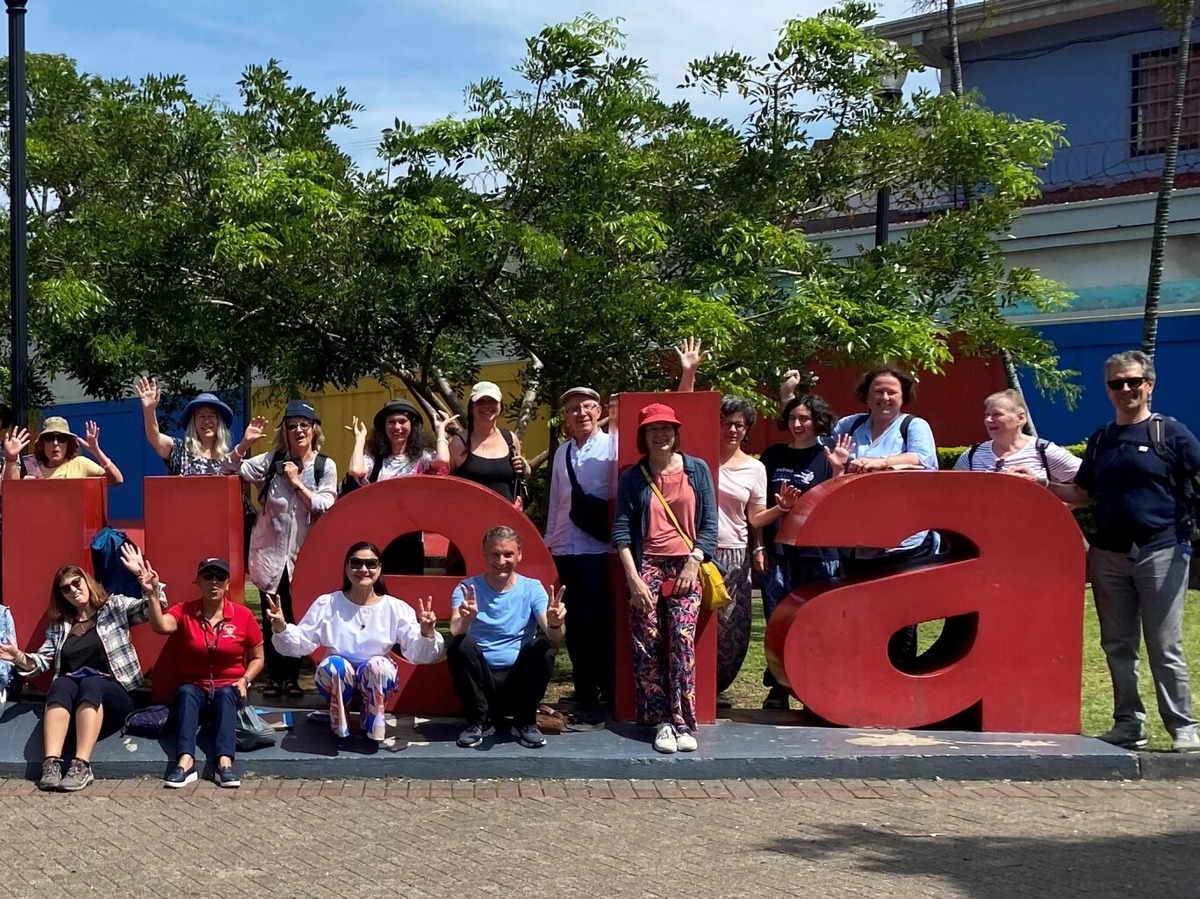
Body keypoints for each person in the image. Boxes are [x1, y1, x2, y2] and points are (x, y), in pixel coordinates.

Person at [1044, 350, 1200, 753]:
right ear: (1108, 389)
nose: (1126, 389)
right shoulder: (1102, 439)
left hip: (1161, 550)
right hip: (1109, 555)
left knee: (1165, 645)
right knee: (1117, 644)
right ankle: (1129, 724)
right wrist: (1038, 484)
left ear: (1149, 384)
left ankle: (1183, 727)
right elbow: (1081, 492)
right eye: (1117, 383)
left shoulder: (1171, 433)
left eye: (1134, 382)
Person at [0, 545, 164, 792]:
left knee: (91, 682)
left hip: (113, 697)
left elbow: (150, 610)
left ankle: (81, 765)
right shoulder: (61, 627)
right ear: (62, 596)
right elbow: (40, 663)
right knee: (61, 683)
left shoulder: (114, 607)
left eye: (76, 583)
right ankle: (51, 764)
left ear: (87, 581)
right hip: (75, 705)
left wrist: (148, 587)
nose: (73, 590)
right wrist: (17, 657)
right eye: (66, 589)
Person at [611, 402, 718, 754]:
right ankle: (660, 723)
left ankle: (683, 720)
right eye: (653, 429)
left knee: (681, 642)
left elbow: (709, 527)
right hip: (647, 566)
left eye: (667, 428)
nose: (661, 434)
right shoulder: (634, 477)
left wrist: (693, 563)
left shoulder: (696, 470)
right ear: (644, 435)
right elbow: (622, 532)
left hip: (687, 565)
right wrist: (634, 579)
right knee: (648, 644)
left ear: (676, 433)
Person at [268, 541, 443, 741]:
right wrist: (281, 627)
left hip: (377, 680)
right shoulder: (328, 603)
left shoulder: (396, 608)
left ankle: (373, 724)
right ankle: (340, 724)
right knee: (335, 666)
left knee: (378, 666)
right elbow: (302, 642)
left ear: (379, 569)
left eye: (370, 564)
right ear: (346, 567)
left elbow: (416, 652)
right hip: (337, 680)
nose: (363, 569)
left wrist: (427, 634)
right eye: (356, 563)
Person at [223, 399, 338, 698]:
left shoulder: (325, 466)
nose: (298, 430)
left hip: (304, 557)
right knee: (272, 615)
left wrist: (298, 484)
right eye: (292, 426)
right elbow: (229, 468)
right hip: (269, 556)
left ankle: (293, 677)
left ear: (314, 430)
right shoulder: (271, 458)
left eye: (304, 425)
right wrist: (245, 442)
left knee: (299, 616)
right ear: (284, 432)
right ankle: (275, 678)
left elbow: (327, 504)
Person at [826, 365, 939, 667]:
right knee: (859, 617)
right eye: (878, 391)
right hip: (856, 541)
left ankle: (898, 686)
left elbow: (923, 460)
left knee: (901, 618)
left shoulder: (913, 426)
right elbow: (824, 452)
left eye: (892, 392)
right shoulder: (850, 424)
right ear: (866, 395)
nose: (884, 397)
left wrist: (881, 463)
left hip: (903, 543)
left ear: (904, 397)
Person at [757, 392, 851, 708]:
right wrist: (758, 545)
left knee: (816, 621)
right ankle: (779, 686)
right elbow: (756, 505)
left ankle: (817, 686)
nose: (798, 424)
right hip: (779, 552)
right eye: (794, 418)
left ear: (817, 422)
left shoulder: (828, 456)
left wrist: (838, 471)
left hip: (819, 553)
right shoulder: (772, 456)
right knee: (778, 620)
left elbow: (837, 503)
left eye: (805, 419)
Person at [140, 555, 265, 788]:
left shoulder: (243, 616)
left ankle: (224, 763)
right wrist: (152, 594)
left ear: (228, 583)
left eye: (220, 577)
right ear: (197, 581)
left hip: (228, 690)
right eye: (208, 576)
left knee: (227, 693)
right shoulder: (185, 611)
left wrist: (245, 680)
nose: (214, 582)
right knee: (186, 692)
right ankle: (185, 762)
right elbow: (160, 626)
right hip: (196, 689)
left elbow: (258, 658)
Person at [448, 526, 566, 749]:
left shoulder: (532, 588)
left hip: (517, 681)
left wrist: (555, 622)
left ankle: (525, 722)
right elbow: (455, 630)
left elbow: (554, 635)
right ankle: (477, 722)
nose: (501, 561)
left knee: (543, 648)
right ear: (485, 555)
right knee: (460, 646)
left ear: (519, 555)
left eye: (508, 554)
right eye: (495, 554)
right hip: (482, 681)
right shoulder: (467, 588)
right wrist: (467, 618)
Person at [543, 386, 615, 717]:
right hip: (564, 548)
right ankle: (584, 689)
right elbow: (557, 500)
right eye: (573, 409)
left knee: (596, 621)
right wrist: (549, 541)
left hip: (599, 548)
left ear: (600, 411)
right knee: (570, 621)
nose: (581, 413)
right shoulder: (561, 453)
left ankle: (607, 688)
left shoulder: (614, 446)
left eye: (587, 406)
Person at [345, 399, 455, 573]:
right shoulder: (376, 458)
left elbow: (442, 462)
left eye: (402, 422)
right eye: (391, 422)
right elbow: (355, 470)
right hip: (377, 532)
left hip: (409, 535)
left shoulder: (422, 457)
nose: (397, 427)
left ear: (412, 426)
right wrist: (359, 440)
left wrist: (440, 432)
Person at [953, 389, 1081, 484]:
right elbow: (952, 491)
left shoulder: (1044, 451)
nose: (988, 420)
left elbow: (1087, 489)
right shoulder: (972, 455)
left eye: (996, 414)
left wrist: (1055, 509)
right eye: (987, 415)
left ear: (1020, 418)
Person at [448, 382, 526, 508]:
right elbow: (445, 486)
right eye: (480, 401)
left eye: (492, 401)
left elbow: (518, 480)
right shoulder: (457, 443)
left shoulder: (511, 440)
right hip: (469, 521)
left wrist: (524, 469)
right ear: (471, 408)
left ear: (501, 406)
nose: (487, 405)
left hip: (506, 521)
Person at [135, 378, 235, 476]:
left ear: (219, 422)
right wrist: (149, 410)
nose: (206, 421)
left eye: (211, 416)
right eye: (201, 416)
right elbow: (155, 438)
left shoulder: (227, 461)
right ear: (193, 422)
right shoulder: (179, 451)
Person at [4, 416, 123, 484]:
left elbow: (116, 480)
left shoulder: (80, 463)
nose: (55, 443)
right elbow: (10, 495)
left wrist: (96, 452)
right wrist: (11, 459)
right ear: (42, 444)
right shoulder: (35, 472)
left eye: (61, 438)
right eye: (49, 438)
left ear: (69, 443)